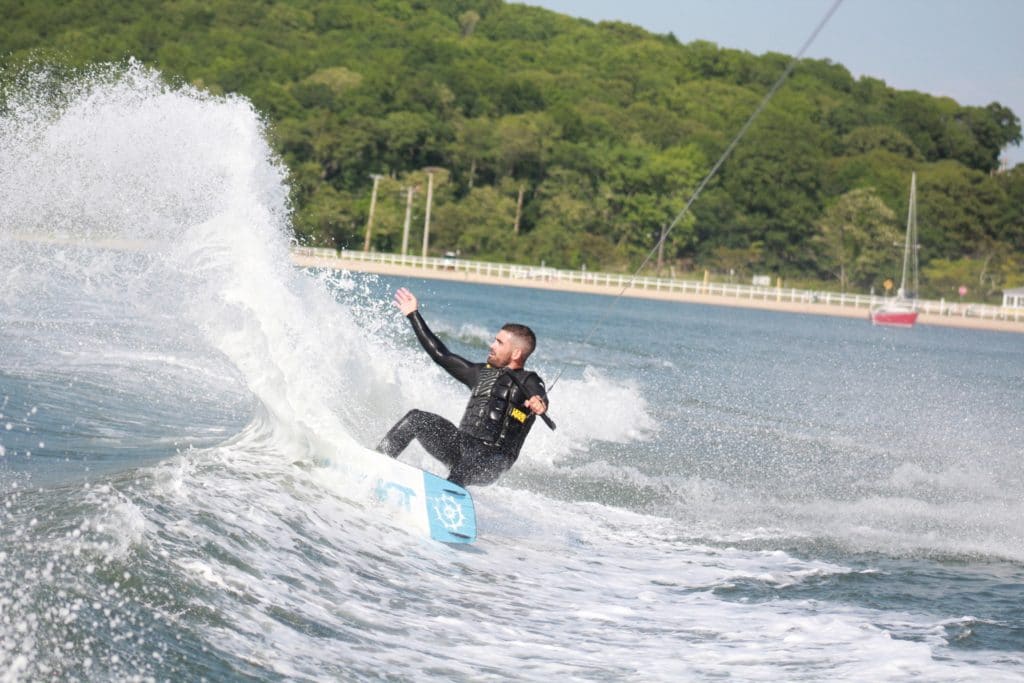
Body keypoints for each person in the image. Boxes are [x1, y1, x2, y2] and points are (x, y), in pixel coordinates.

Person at [376, 287, 549, 487]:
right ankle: (376, 461)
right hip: (461, 445)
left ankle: (446, 502)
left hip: (495, 459)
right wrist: (413, 315)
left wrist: (539, 402)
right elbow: (441, 355)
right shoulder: (481, 374)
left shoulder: (528, 380)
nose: (492, 345)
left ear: (516, 353)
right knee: (416, 419)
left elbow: (539, 395)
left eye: (499, 343)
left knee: (465, 467)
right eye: (494, 340)